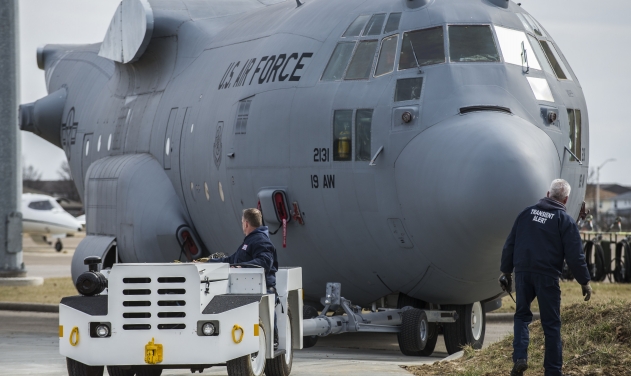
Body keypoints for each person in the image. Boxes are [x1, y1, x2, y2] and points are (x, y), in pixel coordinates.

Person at [500, 179, 592, 376]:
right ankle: (552, 371)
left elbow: (510, 244)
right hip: (547, 276)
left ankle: (520, 358)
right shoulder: (564, 221)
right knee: (551, 324)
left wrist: (506, 272)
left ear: (548, 194)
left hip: (523, 273)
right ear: (566, 199)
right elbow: (575, 255)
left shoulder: (526, 213)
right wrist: (584, 281)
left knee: (522, 317)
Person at [207, 208, 279, 347]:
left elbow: (265, 262)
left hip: (263, 289)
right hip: (245, 289)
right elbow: (233, 260)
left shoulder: (261, 240)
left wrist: (243, 267)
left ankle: (273, 339)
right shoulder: (249, 241)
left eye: (242, 222)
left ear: (246, 224)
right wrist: (208, 263)